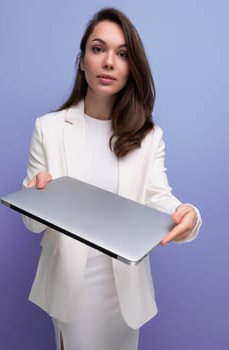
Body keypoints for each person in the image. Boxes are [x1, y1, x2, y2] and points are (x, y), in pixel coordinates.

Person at [22, 7, 202, 350]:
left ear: (131, 67)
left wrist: (187, 213)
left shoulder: (148, 136)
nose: (109, 62)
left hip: (124, 293)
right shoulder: (48, 128)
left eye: (122, 54)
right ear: (82, 60)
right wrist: (36, 197)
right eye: (98, 48)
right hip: (70, 289)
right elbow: (33, 225)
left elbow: (158, 197)